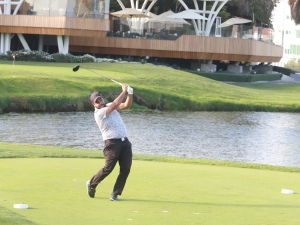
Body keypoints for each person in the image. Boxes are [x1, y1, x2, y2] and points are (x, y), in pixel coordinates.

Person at [86, 84, 133, 201]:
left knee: (126, 169)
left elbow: (126, 105)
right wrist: (124, 91)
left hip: (125, 142)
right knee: (108, 168)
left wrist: (130, 94)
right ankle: (92, 184)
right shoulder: (99, 114)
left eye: (100, 99)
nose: (100, 102)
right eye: (97, 101)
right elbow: (116, 104)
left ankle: (115, 193)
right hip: (112, 144)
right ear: (94, 105)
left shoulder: (108, 105)